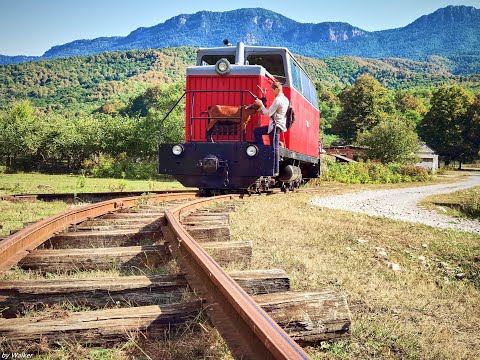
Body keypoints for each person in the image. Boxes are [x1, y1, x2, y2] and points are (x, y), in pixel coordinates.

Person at [254, 82, 289, 176]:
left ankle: (275, 170)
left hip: (275, 126)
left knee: (274, 147)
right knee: (257, 131)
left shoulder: (278, 100)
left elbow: (268, 114)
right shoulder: (285, 99)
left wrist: (261, 105)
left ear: (277, 89)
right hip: (277, 125)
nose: (272, 92)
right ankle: (263, 153)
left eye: (272, 90)